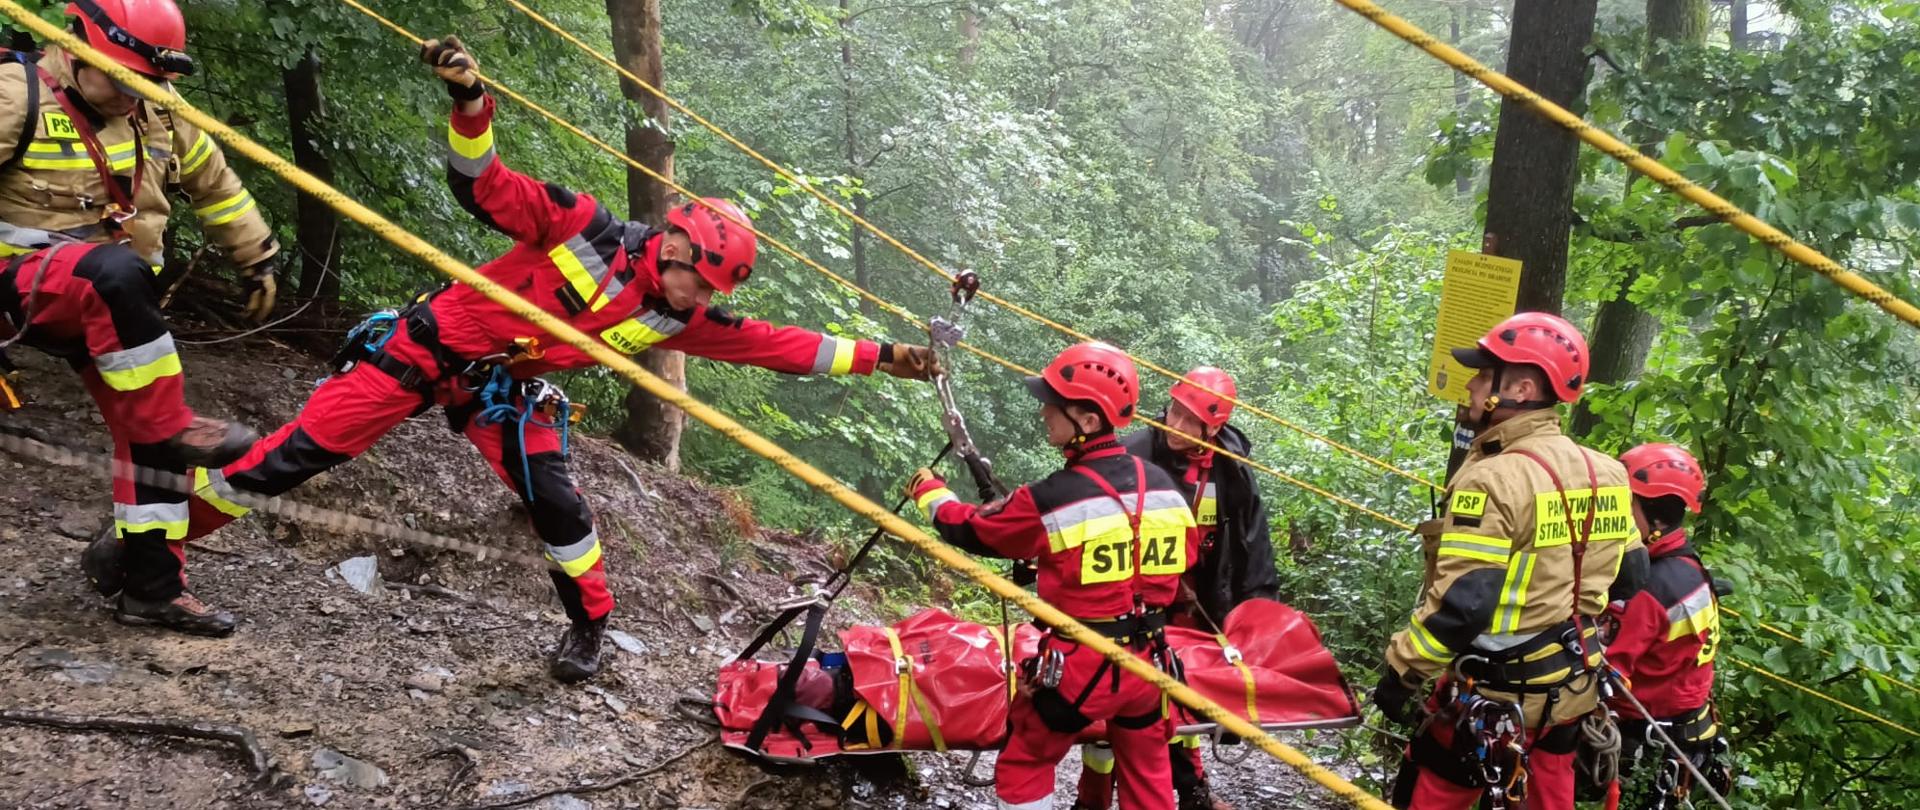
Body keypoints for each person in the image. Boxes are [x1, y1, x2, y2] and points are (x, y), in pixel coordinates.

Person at [86, 35, 938, 681]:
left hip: (503, 391)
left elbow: (776, 346)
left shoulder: (672, 315)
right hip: (421, 354)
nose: (696, 305)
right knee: (285, 463)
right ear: (673, 243)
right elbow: (480, 183)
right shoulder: (581, 225)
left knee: (561, 505)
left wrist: (887, 357)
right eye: (694, 285)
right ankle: (148, 555)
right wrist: (469, 100)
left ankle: (590, 627)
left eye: (704, 296)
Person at [0, 0, 279, 635]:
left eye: (147, 83)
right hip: (21, 286)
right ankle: (170, 424)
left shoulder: (153, 111)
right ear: (76, 47)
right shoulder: (15, 95)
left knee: (151, 439)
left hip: (111, 303)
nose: (135, 96)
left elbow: (217, 182)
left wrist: (256, 255)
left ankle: (152, 588)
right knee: (122, 291)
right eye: (124, 79)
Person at [1372, 312, 1649, 809]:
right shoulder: (1606, 472)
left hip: (1492, 701)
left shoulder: (1493, 479)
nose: (1472, 386)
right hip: (1570, 697)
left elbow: (1464, 606)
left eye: (1483, 375)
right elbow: (1632, 575)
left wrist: (1400, 673)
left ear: (1520, 387)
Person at [909, 341, 1197, 810]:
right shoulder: (1163, 485)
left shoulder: (1054, 498)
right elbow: (1174, 559)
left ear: (1087, 420)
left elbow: (974, 530)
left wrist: (930, 493)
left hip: (1083, 667)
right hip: (1151, 664)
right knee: (1148, 776)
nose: (1044, 412)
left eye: (1052, 404)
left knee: (1026, 761)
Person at [1075, 366, 1276, 810]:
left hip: (1199, 599)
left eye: (1190, 420)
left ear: (1215, 427)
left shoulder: (1232, 472)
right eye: (1174, 412)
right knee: (1120, 696)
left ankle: (1191, 791)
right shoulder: (1134, 456)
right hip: (1132, 598)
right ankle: (1092, 798)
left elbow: (1252, 547)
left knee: (1184, 694)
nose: (1175, 426)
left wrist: (1258, 621)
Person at [1603, 443, 1729, 807]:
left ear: (1655, 522)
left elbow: (1610, 676)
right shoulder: (1689, 568)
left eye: (1627, 507)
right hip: (1687, 729)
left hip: (1647, 735)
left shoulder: (1650, 590)